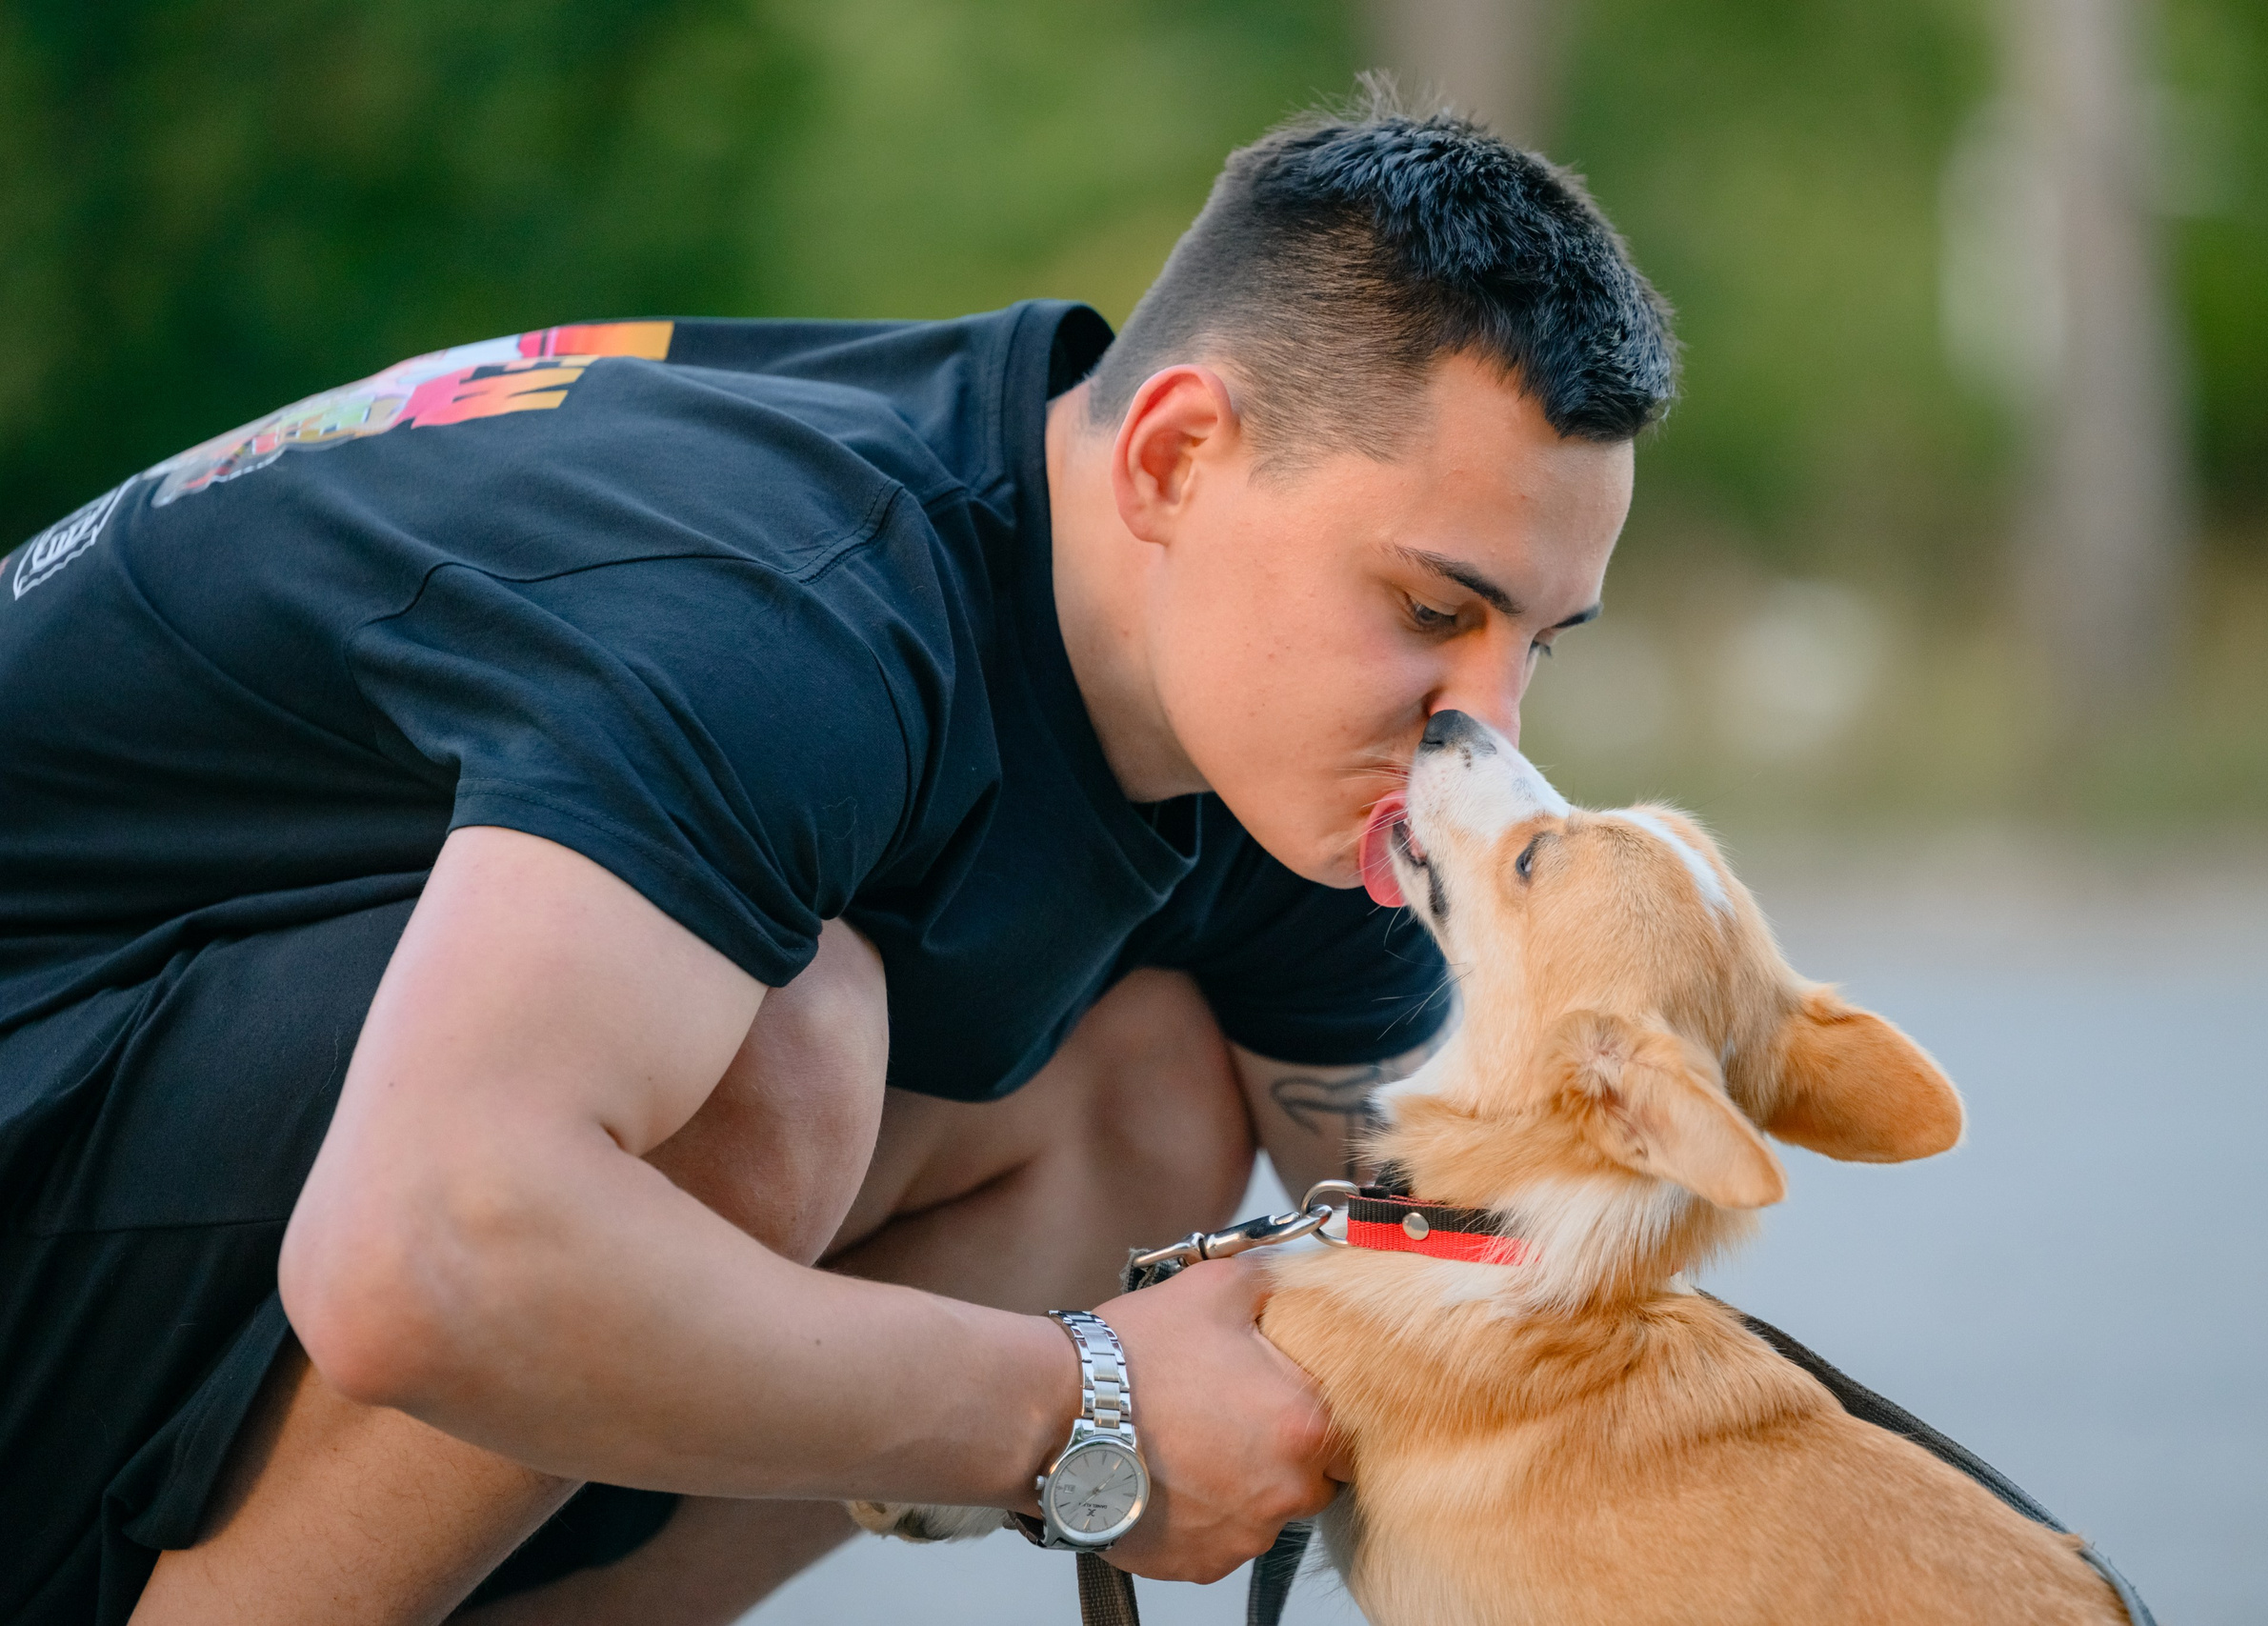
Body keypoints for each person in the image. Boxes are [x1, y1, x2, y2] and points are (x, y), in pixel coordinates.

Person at [0, 91, 1673, 1626]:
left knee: (1142, 1095)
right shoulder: (791, 603)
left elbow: (1452, 1268)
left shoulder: (1271, 724)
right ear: (1173, 456)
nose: (1489, 727)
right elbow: (420, 1255)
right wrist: (1074, 1401)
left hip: (152, 1200)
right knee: (771, 1042)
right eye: (1434, 610)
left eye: (1541, 641)